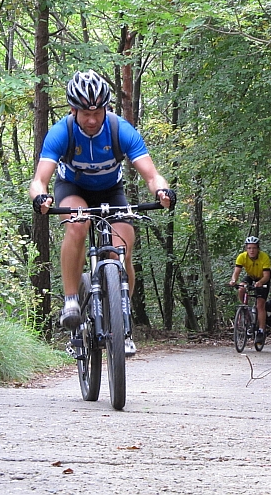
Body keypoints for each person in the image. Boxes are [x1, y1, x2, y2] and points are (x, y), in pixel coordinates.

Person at [29, 69, 175, 356]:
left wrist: (162, 191)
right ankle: (71, 300)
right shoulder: (62, 132)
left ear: (107, 108)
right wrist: (41, 197)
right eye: (85, 113)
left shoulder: (121, 129)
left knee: (121, 247)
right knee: (78, 223)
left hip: (111, 191)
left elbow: (151, 175)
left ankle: (122, 316)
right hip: (73, 188)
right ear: (74, 110)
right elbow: (39, 180)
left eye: (98, 112)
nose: (93, 119)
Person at [229, 236, 271, 344]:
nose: (251, 250)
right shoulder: (242, 257)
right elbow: (236, 272)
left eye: (254, 248)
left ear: (258, 249)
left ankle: (261, 331)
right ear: (246, 249)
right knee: (241, 288)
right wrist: (234, 280)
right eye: (249, 248)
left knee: (260, 304)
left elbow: (267, 275)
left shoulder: (264, 257)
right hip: (251, 277)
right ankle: (245, 309)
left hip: (263, 279)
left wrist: (260, 283)